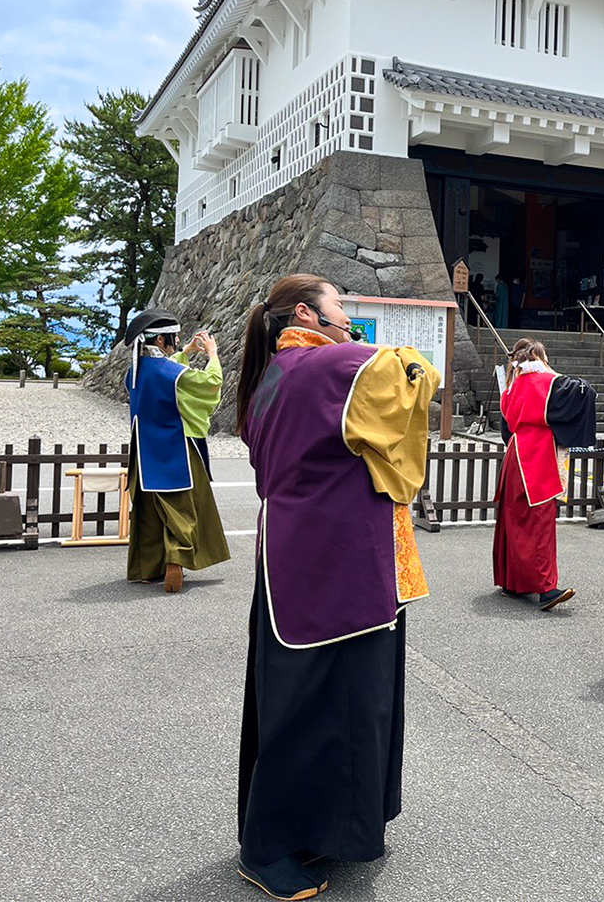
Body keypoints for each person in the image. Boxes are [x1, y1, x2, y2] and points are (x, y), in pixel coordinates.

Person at [234, 274, 440, 900]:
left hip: (296, 553)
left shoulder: (272, 378)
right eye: (340, 308)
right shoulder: (326, 369)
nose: (348, 320)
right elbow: (414, 376)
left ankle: (323, 829)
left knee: (307, 699)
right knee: (331, 700)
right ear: (306, 313)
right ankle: (269, 848)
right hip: (338, 557)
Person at [123, 309, 230, 594]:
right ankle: (176, 561)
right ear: (160, 340)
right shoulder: (172, 372)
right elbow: (209, 386)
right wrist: (212, 355)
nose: (178, 341)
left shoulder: (133, 373)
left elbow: (170, 376)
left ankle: (148, 570)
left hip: (143, 454)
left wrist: (185, 351)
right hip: (176, 450)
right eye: (174, 338)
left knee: (148, 512)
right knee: (183, 508)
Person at [492, 338, 596, 611]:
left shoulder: (512, 387)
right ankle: (546, 588)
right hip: (536, 455)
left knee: (514, 520)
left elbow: (506, 427)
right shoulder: (547, 382)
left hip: (515, 453)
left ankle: (511, 581)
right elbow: (583, 391)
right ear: (539, 357)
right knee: (540, 521)